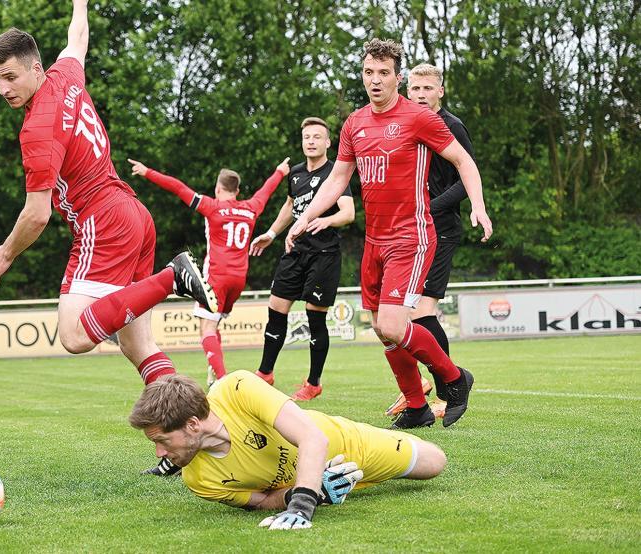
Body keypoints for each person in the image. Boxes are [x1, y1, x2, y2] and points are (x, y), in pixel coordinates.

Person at [0, 1, 216, 475]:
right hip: (133, 214)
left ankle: (175, 276)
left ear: (34, 68)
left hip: (102, 221)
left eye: (10, 77)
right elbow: (78, 37)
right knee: (139, 348)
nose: (4, 88)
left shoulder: (38, 128)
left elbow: (36, 215)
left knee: (73, 335)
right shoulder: (67, 76)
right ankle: (187, 437)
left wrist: (5, 253)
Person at [287, 39, 493, 429]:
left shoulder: (419, 118)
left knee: (395, 325)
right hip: (374, 242)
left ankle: (453, 378)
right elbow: (336, 180)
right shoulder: (354, 123)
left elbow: (464, 160)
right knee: (382, 330)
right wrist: (303, 217)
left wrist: (478, 207)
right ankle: (416, 406)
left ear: (398, 77)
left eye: (384, 73)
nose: (375, 80)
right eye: (369, 73)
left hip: (410, 238)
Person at [129, 372, 447, 530]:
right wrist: (310, 490)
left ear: (193, 424)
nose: (158, 453)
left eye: (163, 440)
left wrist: (301, 507)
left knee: (435, 462)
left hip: (349, 442)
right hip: (313, 482)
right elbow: (265, 501)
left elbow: (313, 438)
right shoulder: (198, 481)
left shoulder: (236, 388)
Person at [127, 157, 290, 386]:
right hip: (239, 279)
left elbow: (179, 188)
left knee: (206, 328)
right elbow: (266, 190)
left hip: (216, 277)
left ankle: (223, 382)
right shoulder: (251, 207)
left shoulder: (212, 206)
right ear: (238, 190)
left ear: (217, 188)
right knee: (214, 326)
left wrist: (147, 172)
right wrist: (280, 172)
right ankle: (214, 375)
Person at [384, 63, 477, 420]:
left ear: (440, 91)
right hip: (410, 231)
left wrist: (425, 207)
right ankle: (423, 391)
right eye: (415, 89)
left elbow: (464, 180)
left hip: (440, 229)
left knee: (422, 313)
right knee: (398, 319)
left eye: (427, 88)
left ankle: (449, 387)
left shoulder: (452, 127)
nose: (420, 95)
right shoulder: (406, 123)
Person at [248, 117, 355, 401]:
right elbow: (290, 206)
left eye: (317, 137)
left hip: (324, 256)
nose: (311, 141)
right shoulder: (295, 174)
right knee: (276, 309)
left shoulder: (335, 173)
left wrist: (327, 221)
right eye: (307, 137)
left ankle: (313, 382)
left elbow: (348, 212)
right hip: (294, 251)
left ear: (328, 142)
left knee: (314, 318)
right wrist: (271, 233)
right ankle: (265, 373)